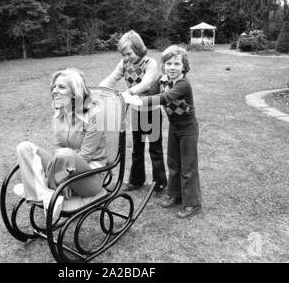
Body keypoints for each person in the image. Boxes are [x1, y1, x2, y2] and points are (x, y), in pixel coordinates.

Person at [15, 68, 107, 223]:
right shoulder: (59, 115)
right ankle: (46, 192)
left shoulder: (94, 115)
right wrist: (60, 171)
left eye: (61, 87)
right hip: (64, 167)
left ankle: (41, 187)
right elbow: (57, 147)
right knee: (24, 147)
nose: (54, 91)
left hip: (90, 176)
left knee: (65, 154)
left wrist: (58, 177)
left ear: (75, 93)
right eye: (54, 87)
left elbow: (85, 156)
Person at [122, 45, 202, 219]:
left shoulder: (183, 84)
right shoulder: (162, 80)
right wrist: (134, 95)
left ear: (184, 66)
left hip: (188, 128)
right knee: (173, 162)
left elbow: (164, 98)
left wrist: (138, 102)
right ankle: (174, 194)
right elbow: (150, 92)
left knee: (188, 165)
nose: (172, 67)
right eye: (168, 63)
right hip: (174, 126)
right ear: (163, 65)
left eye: (176, 64)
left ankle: (193, 203)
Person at [99, 30, 167, 193]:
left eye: (128, 53)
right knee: (137, 148)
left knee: (155, 149)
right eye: (123, 54)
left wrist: (128, 93)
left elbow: (146, 83)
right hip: (135, 111)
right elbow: (112, 78)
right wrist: (101, 89)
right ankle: (136, 181)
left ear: (138, 48)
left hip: (152, 111)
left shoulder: (150, 63)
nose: (126, 57)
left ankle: (160, 184)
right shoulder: (124, 64)